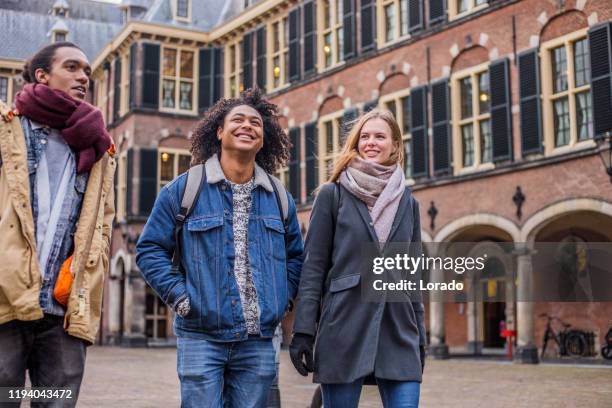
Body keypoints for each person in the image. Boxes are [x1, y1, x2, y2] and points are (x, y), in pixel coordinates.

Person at [136, 88, 303, 408]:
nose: (248, 125)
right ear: (219, 131)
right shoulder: (183, 190)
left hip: (259, 340)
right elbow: (150, 250)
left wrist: (282, 298)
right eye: (237, 119)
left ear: (264, 139)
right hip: (202, 336)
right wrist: (182, 298)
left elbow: (296, 256)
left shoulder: (280, 198)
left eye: (256, 122)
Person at [0, 42, 115, 405]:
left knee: (56, 401)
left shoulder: (99, 149)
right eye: (72, 67)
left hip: (63, 307)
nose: (84, 76)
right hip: (6, 298)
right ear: (42, 75)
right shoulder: (6, 131)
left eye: (87, 72)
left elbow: (102, 224)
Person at [289, 109, 427, 408]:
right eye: (365, 136)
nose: (371, 142)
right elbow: (313, 268)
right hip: (343, 328)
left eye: (380, 136)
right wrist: (303, 330)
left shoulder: (408, 202)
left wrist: (420, 337)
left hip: (398, 329)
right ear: (355, 143)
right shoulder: (332, 195)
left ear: (395, 146)